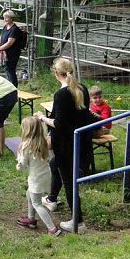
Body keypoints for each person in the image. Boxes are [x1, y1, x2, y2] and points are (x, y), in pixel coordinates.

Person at [35, 57, 94, 234]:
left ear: (55, 73)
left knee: (69, 182)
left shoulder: (61, 95)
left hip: (67, 145)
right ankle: (51, 199)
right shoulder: (82, 88)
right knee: (54, 166)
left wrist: (41, 118)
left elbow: (59, 123)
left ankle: (79, 222)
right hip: (82, 140)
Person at [15, 116, 61, 236]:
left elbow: (22, 165)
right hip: (46, 176)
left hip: (35, 179)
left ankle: (52, 229)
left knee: (37, 204)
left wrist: (18, 164)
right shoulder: (44, 142)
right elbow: (49, 157)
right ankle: (31, 219)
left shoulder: (26, 146)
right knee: (29, 194)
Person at [0, 10, 24, 87]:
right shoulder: (5, 27)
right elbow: (1, 37)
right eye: (4, 18)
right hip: (5, 52)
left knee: (11, 69)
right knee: (7, 69)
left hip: (12, 53)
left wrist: (1, 48)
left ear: (11, 18)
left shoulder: (15, 29)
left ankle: (14, 87)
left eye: (7, 18)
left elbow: (10, 42)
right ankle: (9, 85)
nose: (5, 19)